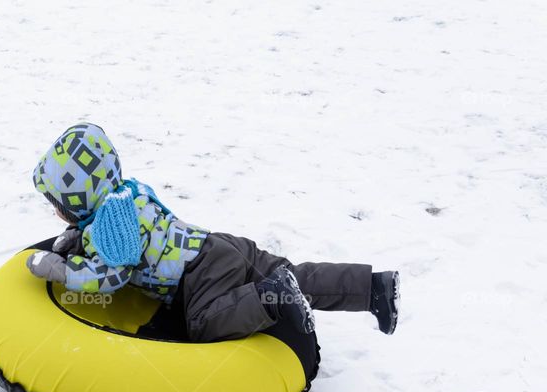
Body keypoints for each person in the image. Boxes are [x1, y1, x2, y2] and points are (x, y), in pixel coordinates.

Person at [27, 123, 399, 341]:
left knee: (203, 323)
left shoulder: (112, 229)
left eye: (58, 202)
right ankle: (373, 289)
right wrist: (77, 237)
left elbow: (108, 276)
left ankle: (271, 298)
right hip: (218, 246)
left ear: (80, 200)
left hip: (199, 277)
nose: (56, 210)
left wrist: (57, 269)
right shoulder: (129, 194)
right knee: (298, 274)